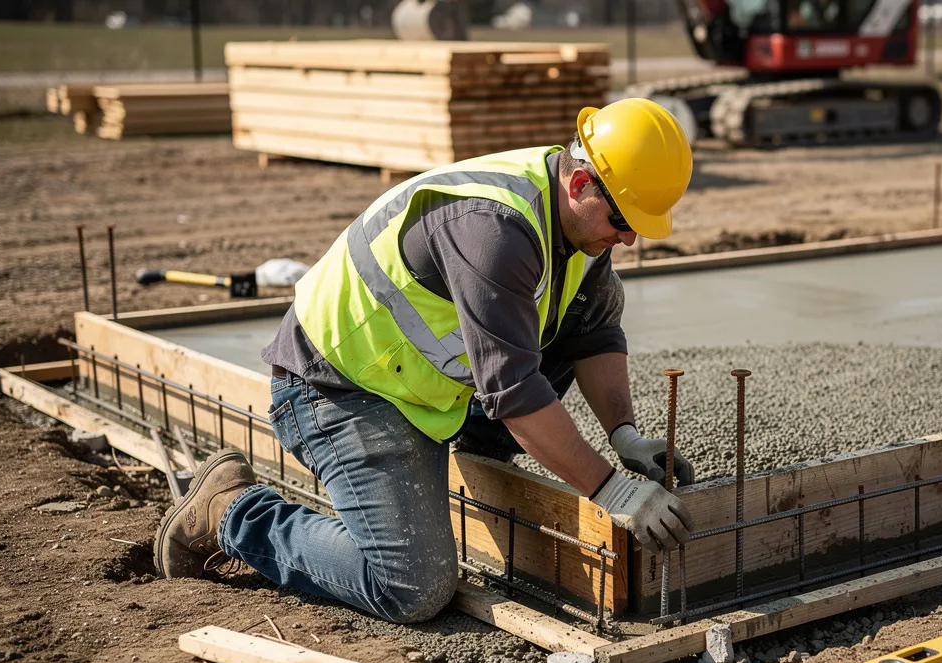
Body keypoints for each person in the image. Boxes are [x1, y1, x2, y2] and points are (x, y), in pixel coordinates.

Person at [152, 98, 697, 624]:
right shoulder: (495, 232)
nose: (627, 238)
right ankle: (232, 513)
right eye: (623, 219)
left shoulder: (575, 224)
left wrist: (624, 437)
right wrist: (611, 490)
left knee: (593, 300)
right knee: (413, 586)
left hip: (422, 388)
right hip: (340, 388)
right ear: (580, 184)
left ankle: (474, 465)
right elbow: (514, 393)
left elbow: (594, 329)